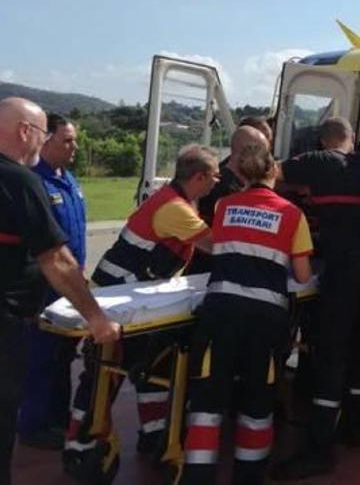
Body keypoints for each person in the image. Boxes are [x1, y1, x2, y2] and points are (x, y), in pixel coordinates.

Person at [270, 117, 360, 480]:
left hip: (342, 273)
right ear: (352, 139)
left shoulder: (318, 162)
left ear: (323, 140)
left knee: (330, 354)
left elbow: (270, 173)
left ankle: (319, 446)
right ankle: (358, 426)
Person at [64, 145, 218, 475]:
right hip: (115, 300)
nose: (215, 184)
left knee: (153, 366)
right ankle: (81, 445)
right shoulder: (175, 209)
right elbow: (213, 244)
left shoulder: (176, 200)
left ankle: (154, 433)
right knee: (103, 373)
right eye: (214, 178)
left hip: (132, 298)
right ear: (199, 177)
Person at [0, 97, 120, 484]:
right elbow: (56, 259)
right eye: (40, 133)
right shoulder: (19, 181)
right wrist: (97, 318)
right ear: (25, 132)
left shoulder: (57, 180)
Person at [181, 142, 313, 485]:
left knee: (207, 405)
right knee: (257, 405)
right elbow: (301, 275)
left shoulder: (224, 206)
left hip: (220, 312)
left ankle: (197, 476)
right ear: (275, 171)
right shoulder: (292, 214)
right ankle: (249, 476)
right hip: (265, 320)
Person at [18, 114, 87, 450]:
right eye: (67, 140)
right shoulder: (34, 183)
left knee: (63, 357)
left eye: (74, 140)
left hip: (70, 286)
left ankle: (58, 419)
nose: (74, 147)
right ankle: (32, 425)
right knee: (40, 358)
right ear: (45, 141)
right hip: (44, 287)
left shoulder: (69, 180)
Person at [187, 126, 269, 274]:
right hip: (210, 271)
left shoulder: (220, 181)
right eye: (261, 154)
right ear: (246, 152)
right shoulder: (224, 189)